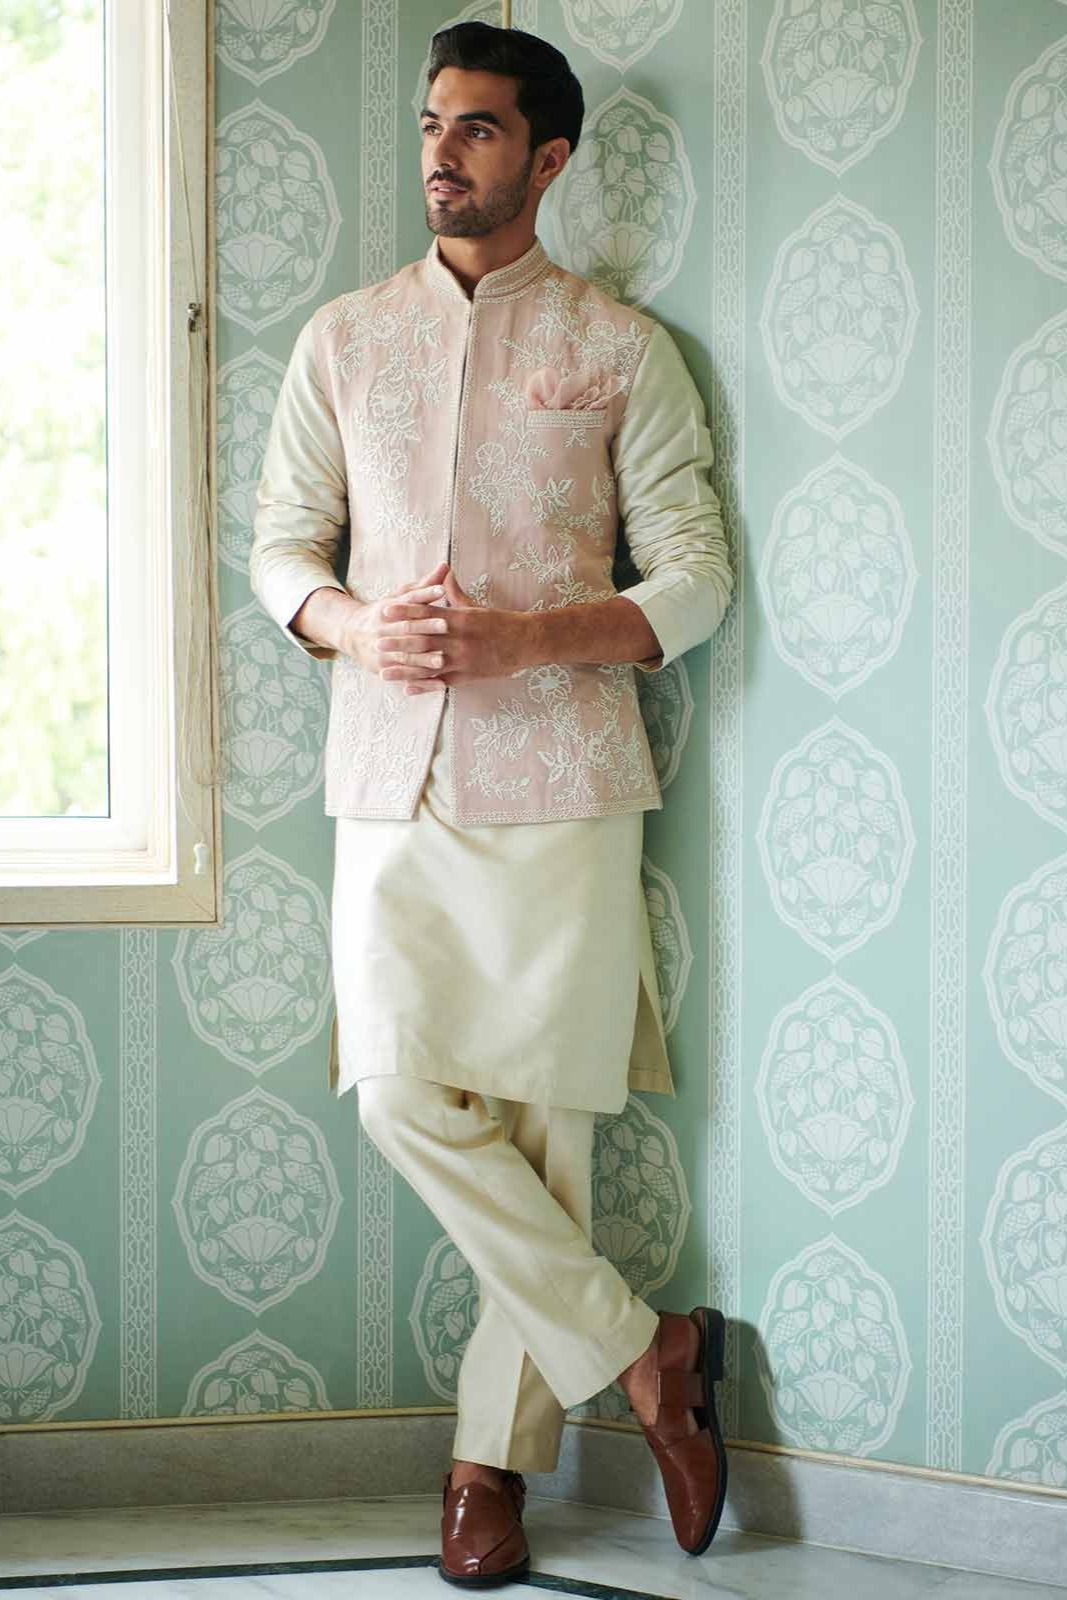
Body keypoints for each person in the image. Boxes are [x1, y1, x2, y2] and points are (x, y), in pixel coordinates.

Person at [251, 20, 734, 1587]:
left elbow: (697, 581)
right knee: (397, 1092)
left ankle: (486, 1474)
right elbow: (282, 550)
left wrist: (531, 638)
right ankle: (649, 1352)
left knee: (548, 1139)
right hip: (389, 780)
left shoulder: (621, 349)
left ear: (550, 156)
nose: (443, 153)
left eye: (477, 128)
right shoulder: (344, 341)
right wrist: (349, 624)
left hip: (567, 784)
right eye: (431, 125)